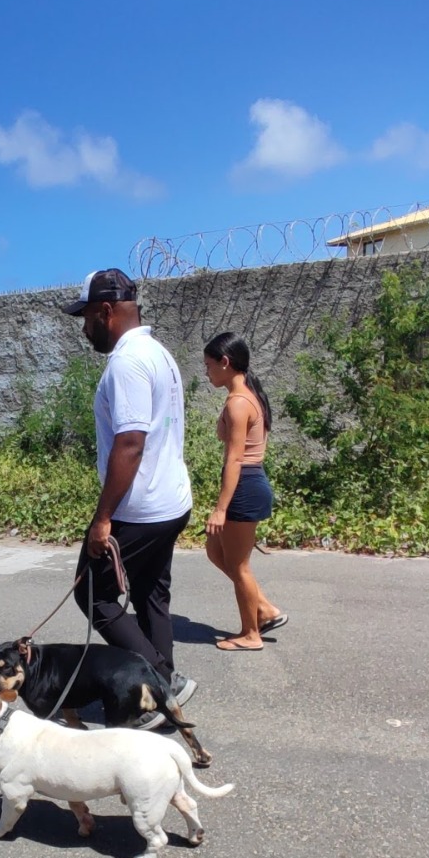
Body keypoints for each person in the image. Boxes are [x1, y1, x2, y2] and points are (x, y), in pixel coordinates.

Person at [62, 267, 196, 707]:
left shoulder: (127, 362)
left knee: (92, 593)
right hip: (170, 502)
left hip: (138, 509)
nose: (84, 329)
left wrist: (103, 518)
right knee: (150, 593)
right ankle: (160, 692)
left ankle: (160, 682)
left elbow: (131, 443)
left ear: (106, 311)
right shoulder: (159, 354)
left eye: (85, 318)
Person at [203, 331, 287, 652]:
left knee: (239, 565)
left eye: (209, 366)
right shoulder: (245, 395)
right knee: (214, 549)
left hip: (244, 485)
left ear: (225, 363)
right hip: (249, 483)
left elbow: (235, 458)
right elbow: (222, 437)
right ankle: (263, 608)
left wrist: (221, 508)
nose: (207, 372)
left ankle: (252, 633)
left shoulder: (239, 403)